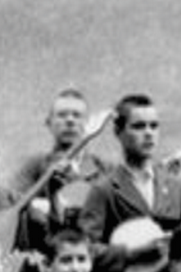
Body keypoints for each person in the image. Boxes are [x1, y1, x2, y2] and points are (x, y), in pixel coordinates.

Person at [79, 94, 181, 272]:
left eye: (154, 126)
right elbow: (85, 250)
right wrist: (132, 253)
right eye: (139, 126)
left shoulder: (176, 186)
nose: (149, 133)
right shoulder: (104, 189)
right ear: (119, 132)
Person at [12, 88, 111, 249]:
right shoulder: (34, 167)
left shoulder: (104, 169)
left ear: (87, 123)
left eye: (77, 115)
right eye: (62, 115)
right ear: (49, 123)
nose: (70, 121)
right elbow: (16, 207)